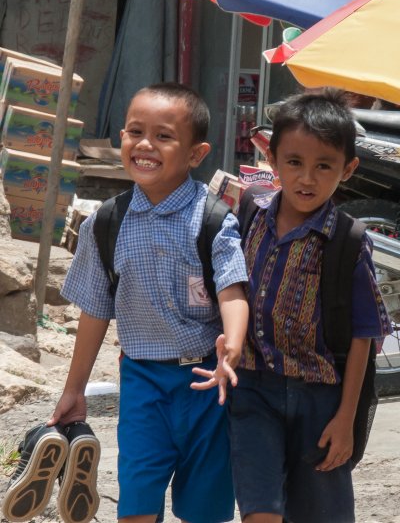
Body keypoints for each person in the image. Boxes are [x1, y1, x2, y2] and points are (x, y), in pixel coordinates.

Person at [47, 82, 249, 523]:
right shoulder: (105, 223)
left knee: (205, 509)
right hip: (141, 385)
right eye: (134, 131)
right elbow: (95, 311)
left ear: (196, 154)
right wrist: (74, 389)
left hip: (207, 385)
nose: (144, 145)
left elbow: (232, 290)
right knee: (136, 504)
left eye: (163, 136)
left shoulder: (214, 219)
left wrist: (232, 346)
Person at [193, 89, 392, 523]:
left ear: (348, 169)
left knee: (319, 512)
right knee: (259, 509)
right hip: (252, 391)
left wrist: (345, 418)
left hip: (319, 397)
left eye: (324, 166)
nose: (307, 178)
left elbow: (364, 336)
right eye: (295, 162)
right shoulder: (249, 215)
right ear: (272, 158)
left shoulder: (348, 241)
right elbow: (228, 289)